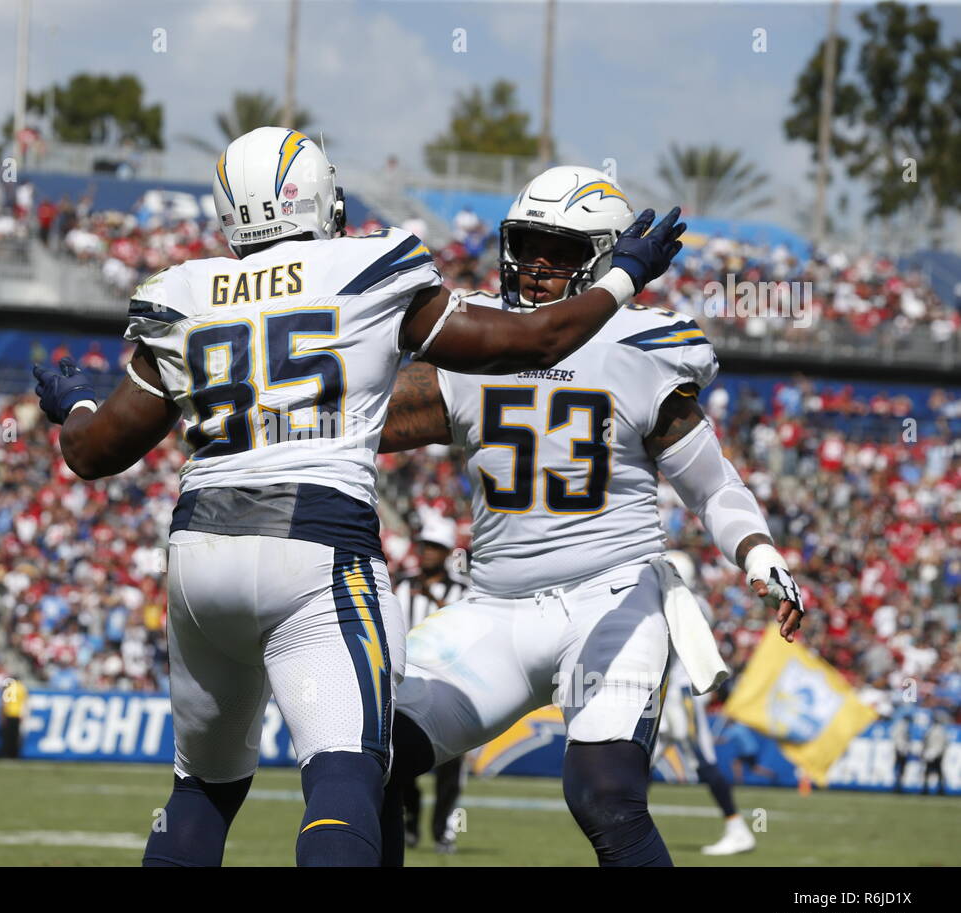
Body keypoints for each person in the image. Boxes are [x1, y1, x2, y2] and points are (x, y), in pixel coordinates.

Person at [34, 129, 686, 867]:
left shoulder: (184, 289)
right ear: (318, 195)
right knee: (347, 773)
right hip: (315, 541)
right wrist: (625, 275)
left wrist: (78, 406)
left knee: (201, 791)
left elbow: (94, 453)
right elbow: (531, 344)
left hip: (199, 551)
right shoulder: (367, 265)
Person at [377, 165, 804, 866]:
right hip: (495, 610)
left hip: (612, 600)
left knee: (604, 795)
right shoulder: (475, 343)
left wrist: (759, 554)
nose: (537, 266)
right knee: (367, 760)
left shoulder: (640, 349)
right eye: (528, 243)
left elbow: (712, 485)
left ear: (606, 258)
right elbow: (353, 421)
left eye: (563, 249)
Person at [652, 551, 754, 855]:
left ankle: (738, 829)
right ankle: (626, 833)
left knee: (703, 760)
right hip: (664, 696)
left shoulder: (690, 604)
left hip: (682, 695)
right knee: (638, 765)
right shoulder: (689, 602)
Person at [393, 515, 468, 853]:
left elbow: (461, 632)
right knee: (400, 762)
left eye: (435, 548)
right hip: (404, 682)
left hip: (449, 687)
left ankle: (443, 832)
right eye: (424, 546)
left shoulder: (462, 591)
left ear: (448, 551)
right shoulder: (401, 584)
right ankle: (408, 826)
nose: (427, 553)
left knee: (450, 770)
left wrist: (436, 601)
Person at [0, 678, 27, 758]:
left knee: (7, 736)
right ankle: (14, 754)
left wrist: (2, 714)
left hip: (9, 713)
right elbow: (24, 702)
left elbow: (4, 702)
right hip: (18, 714)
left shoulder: (9, 687)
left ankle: (6, 754)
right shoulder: (22, 688)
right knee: (15, 736)